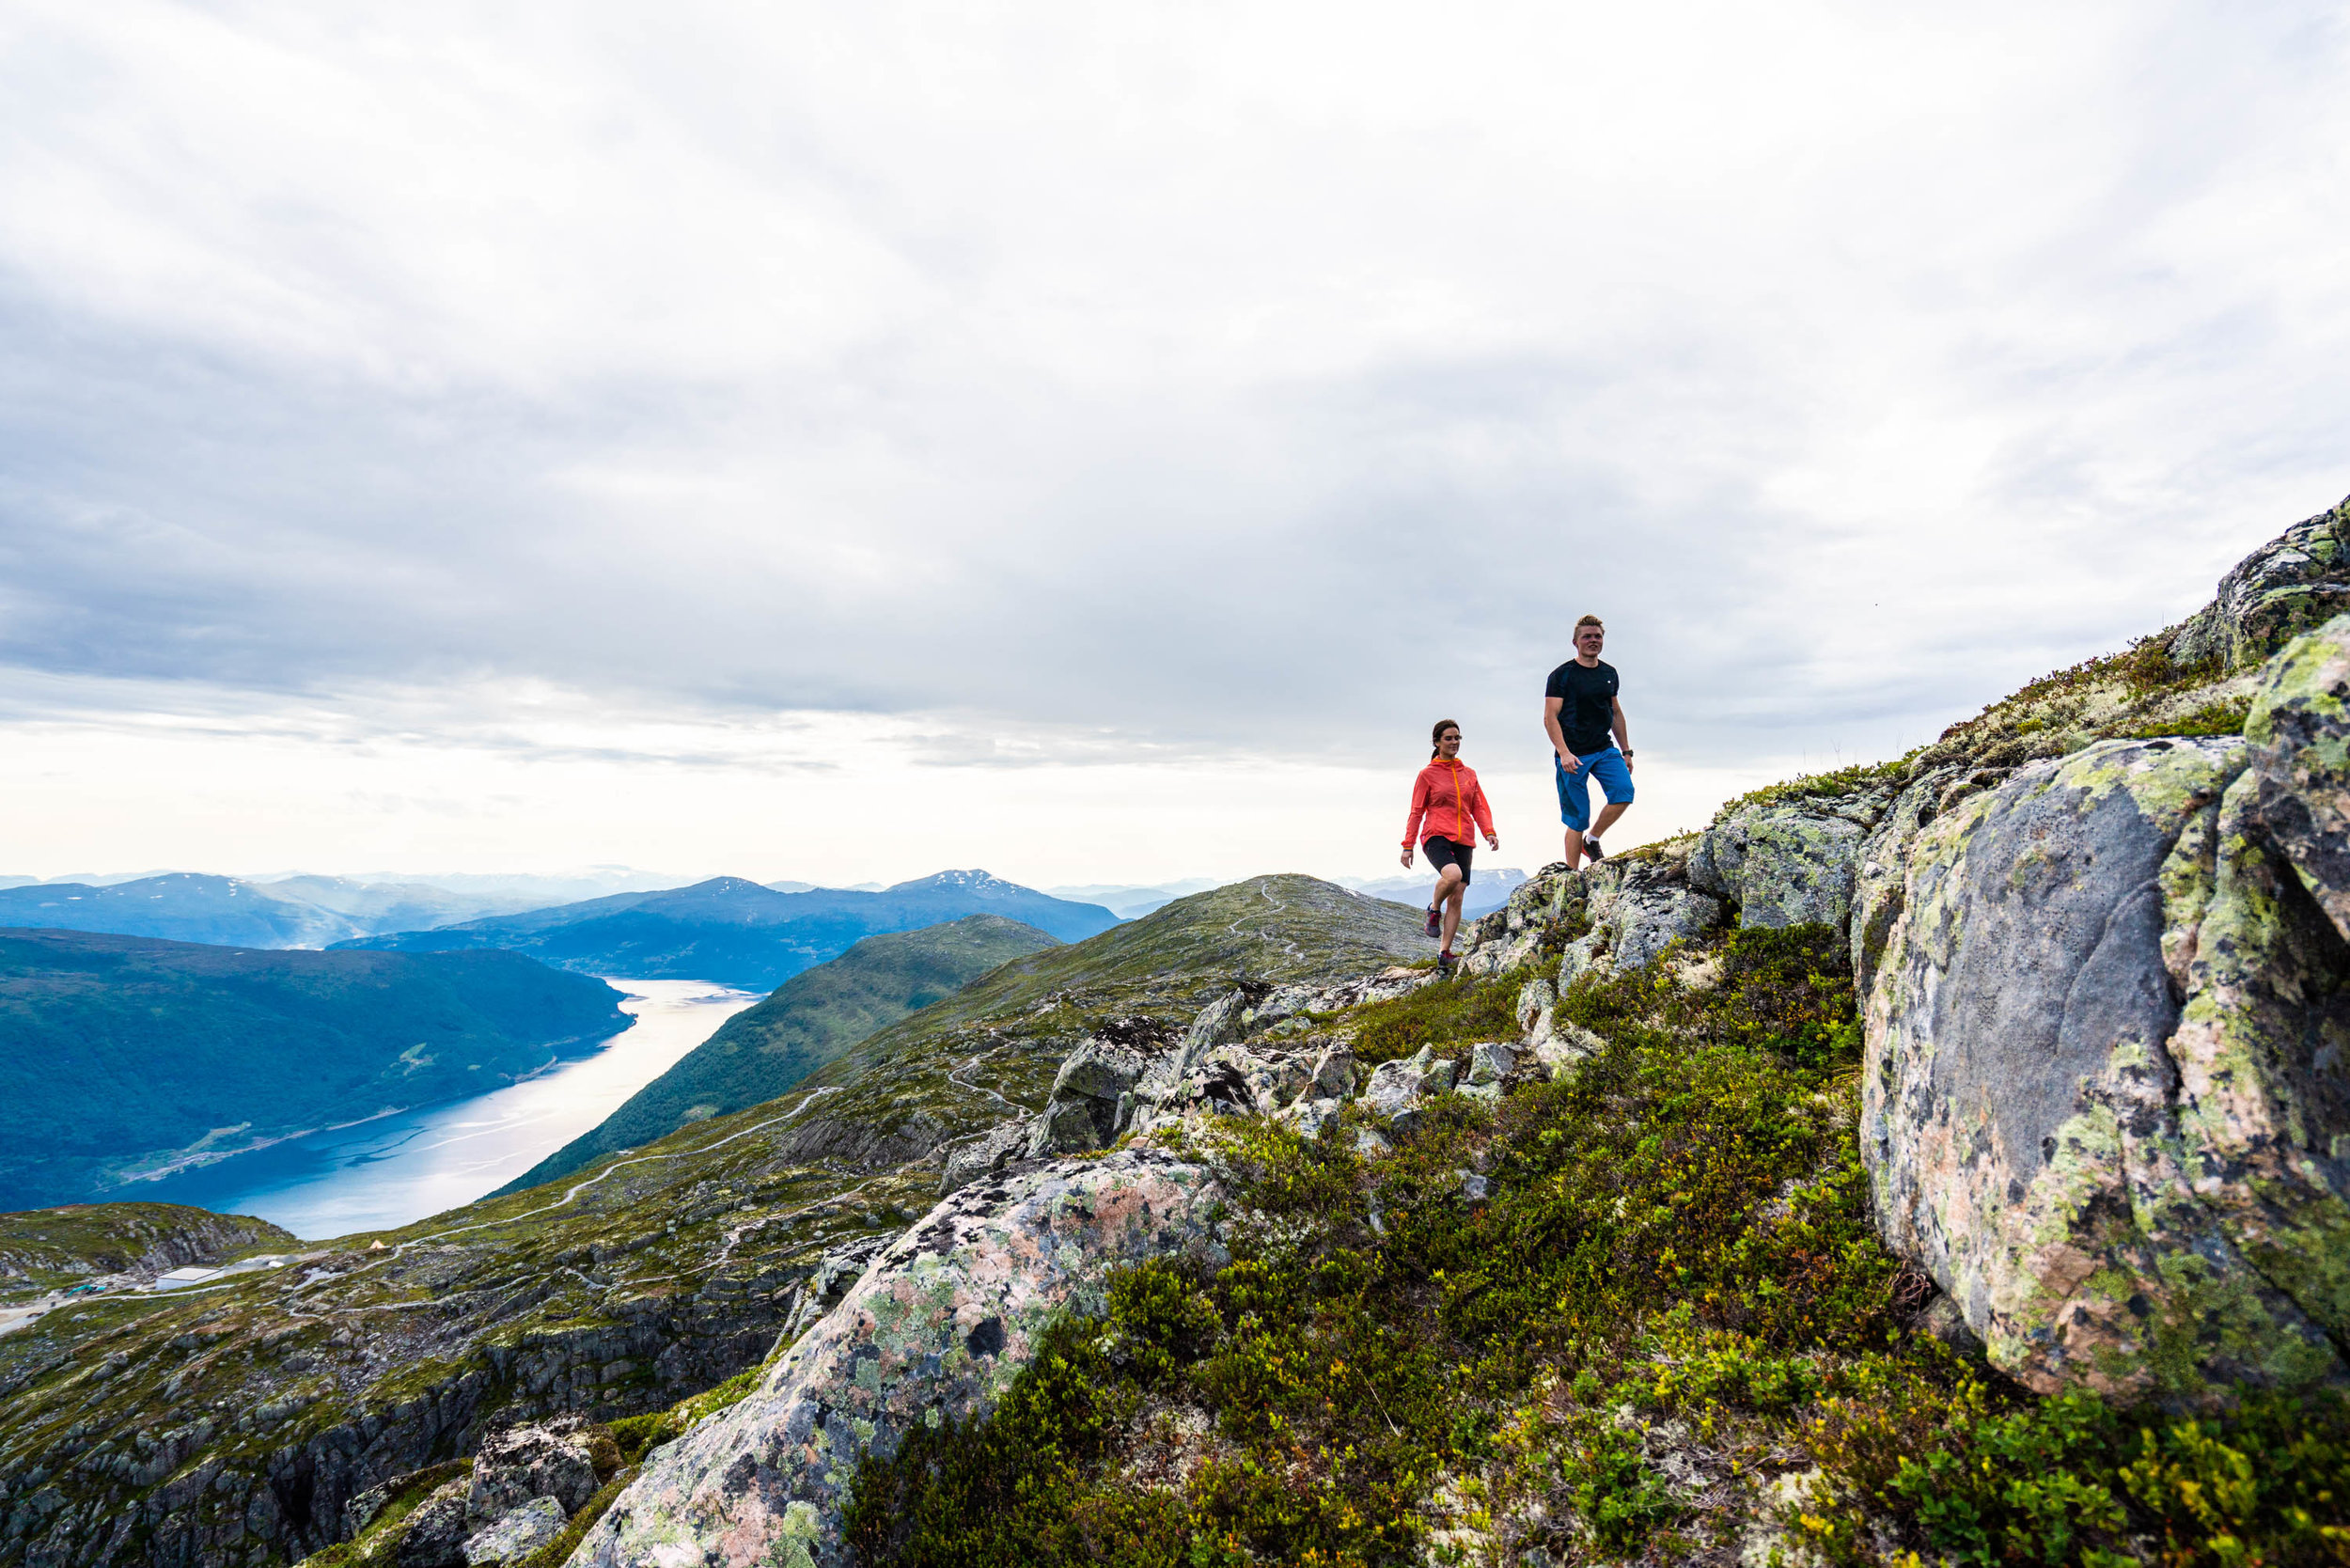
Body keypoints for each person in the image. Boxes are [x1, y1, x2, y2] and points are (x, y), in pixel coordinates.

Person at [1402, 718, 1498, 974]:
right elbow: (1416, 811)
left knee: (1457, 894)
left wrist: (1488, 831)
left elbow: (1479, 806)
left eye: (1457, 738)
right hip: (1436, 835)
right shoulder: (1427, 775)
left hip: (1464, 837)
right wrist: (1408, 845)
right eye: (1448, 738)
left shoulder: (1470, 774)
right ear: (1436, 742)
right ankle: (1433, 910)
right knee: (1452, 876)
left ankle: (1444, 954)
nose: (1454, 742)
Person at [1544, 614, 1634, 869]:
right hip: (1573, 754)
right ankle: (1571, 876)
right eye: (1587, 637)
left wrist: (1626, 750)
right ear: (1576, 642)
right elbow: (1550, 717)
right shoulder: (1561, 676)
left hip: (1604, 749)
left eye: (1597, 636)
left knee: (1624, 792)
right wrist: (1563, 753)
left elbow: (1615, 712)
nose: (1593, 640)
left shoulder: (1609, 673)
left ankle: (1592, 840)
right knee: (1577, 818)